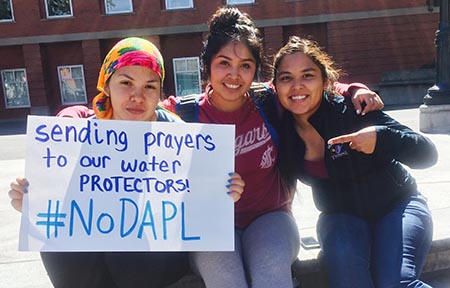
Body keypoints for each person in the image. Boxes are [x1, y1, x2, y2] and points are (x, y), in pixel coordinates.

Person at [159, 7, 384, 288]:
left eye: (245, 65)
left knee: (271, 276)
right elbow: (126, 114)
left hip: (270, 217)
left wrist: (355, 89)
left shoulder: (268, 100)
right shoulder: (180, 112)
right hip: (209, 226)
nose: (234, 75)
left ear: (255, 69)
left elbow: (311, 85)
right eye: (224, 63)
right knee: (226, 280)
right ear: (207, 65)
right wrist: (85, 115)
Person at [8, 37, 245, 288]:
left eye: (150, 87)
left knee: (131, 249)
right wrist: (31, 201)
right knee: (56, 241)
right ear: (106, 86)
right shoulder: (74, 136)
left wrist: (224, 191)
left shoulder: (179, 137)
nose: (137, 96)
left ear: (159, 93)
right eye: (126, 83)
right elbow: (54, 203)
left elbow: (201, 200)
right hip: (90, 258)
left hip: (152, 261)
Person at [273, 36, 438, 288]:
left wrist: (382, 139)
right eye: (286, 78)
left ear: (325, 81)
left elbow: (428, 154)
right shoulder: (279, 127)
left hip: (398, 206)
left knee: (396, 283)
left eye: (308, 75)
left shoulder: (353, 110)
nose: (297, 86)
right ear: (275, 85)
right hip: (340, 217)